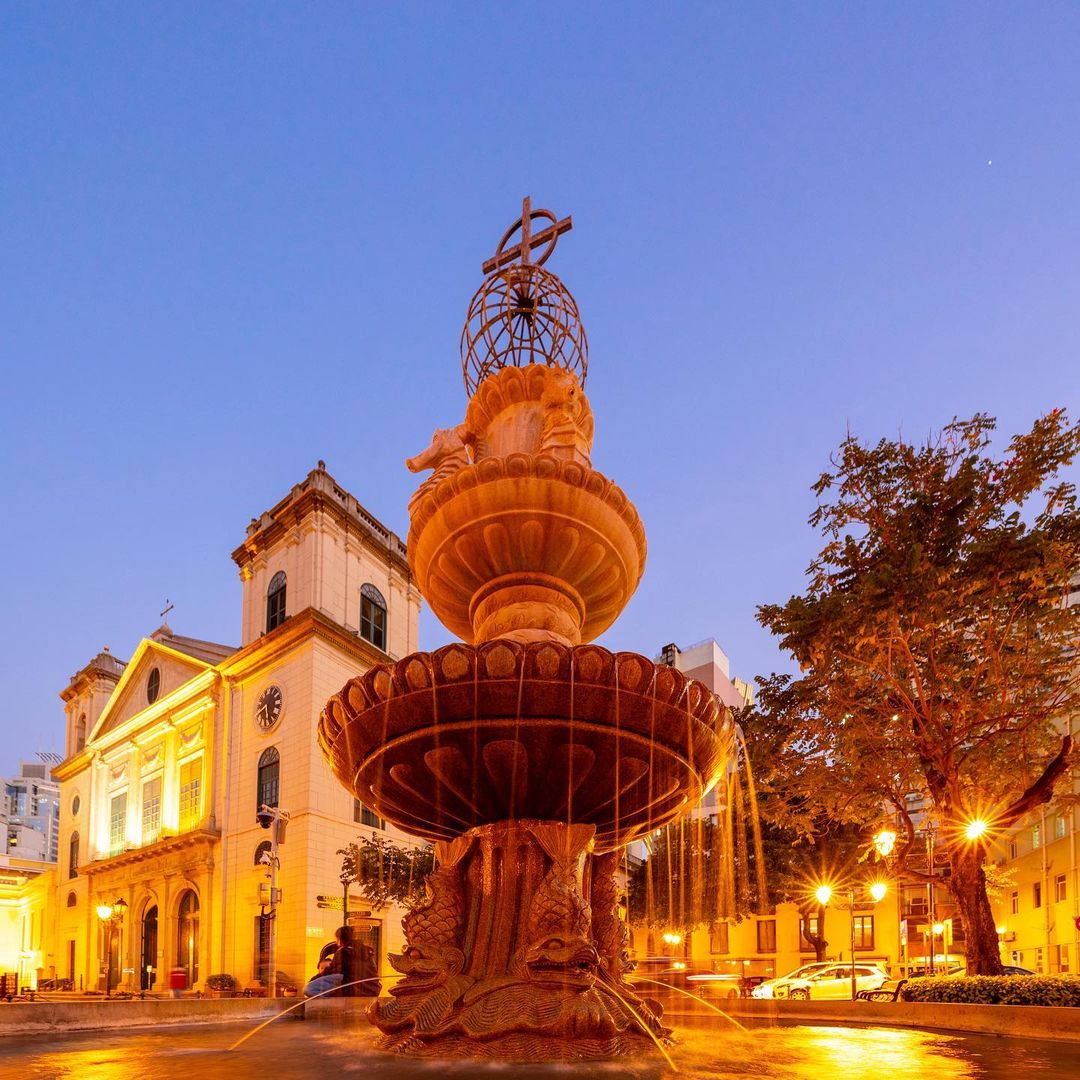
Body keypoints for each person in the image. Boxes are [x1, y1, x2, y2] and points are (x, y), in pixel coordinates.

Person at [302, 926, 355, 999]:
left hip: (347, 981)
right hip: (359, 985)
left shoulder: (344, 951)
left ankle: (328, 1002)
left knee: (308, 989)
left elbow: (332, 970)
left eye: (337, 939)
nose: (336, 942)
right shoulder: (363, 950)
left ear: (340, 939)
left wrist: (314, 979)